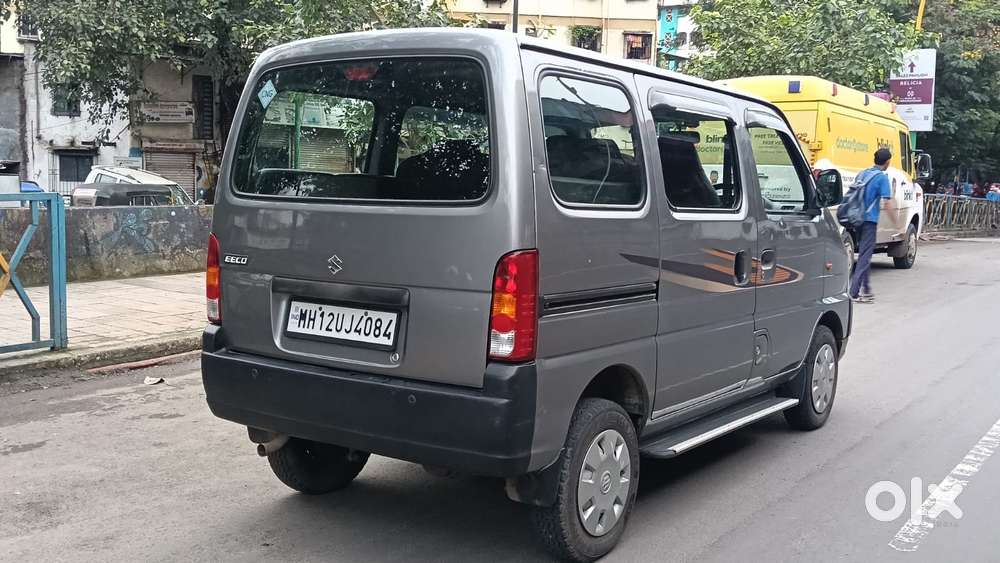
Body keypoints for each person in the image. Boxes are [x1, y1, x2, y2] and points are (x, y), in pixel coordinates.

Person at [850, 148, 893, 303]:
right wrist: (896, 223)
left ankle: (866, 291)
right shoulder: (882, 178)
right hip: (869, 221)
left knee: (864, 255)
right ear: (887, 162)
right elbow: (887, 202)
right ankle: (854, 292)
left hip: (856, 219)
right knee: (864, 257)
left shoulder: (862, 173)